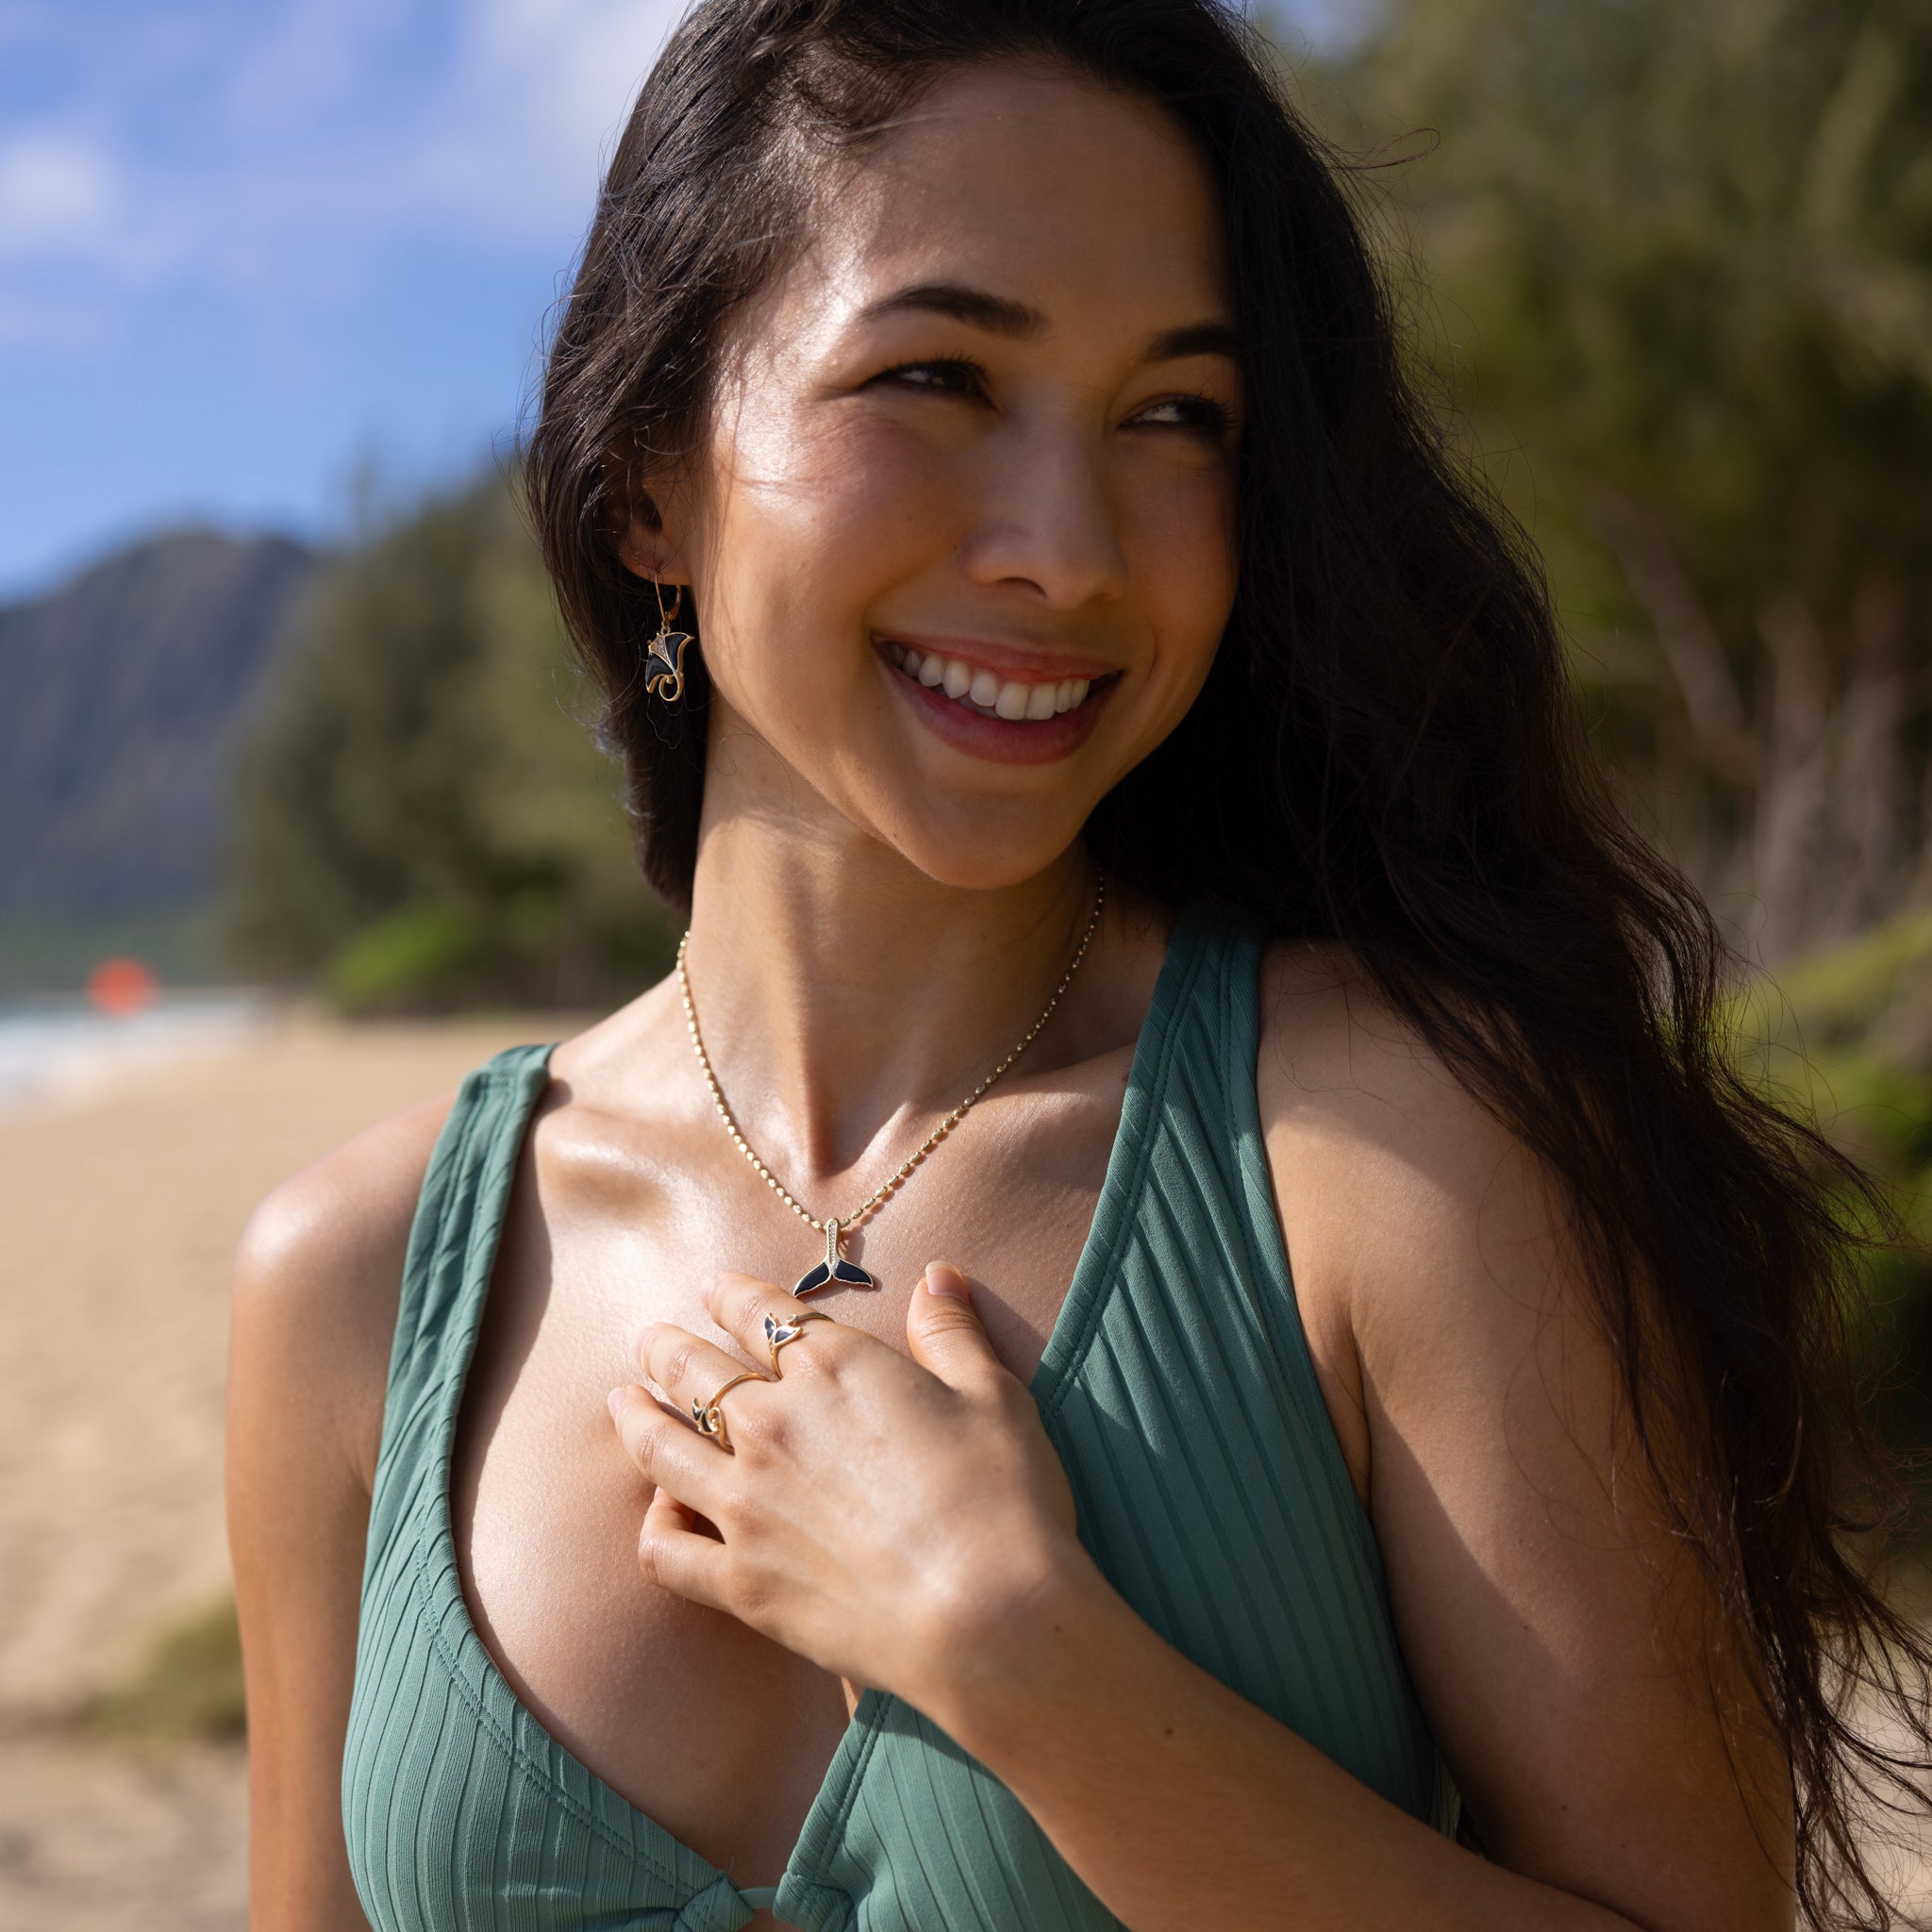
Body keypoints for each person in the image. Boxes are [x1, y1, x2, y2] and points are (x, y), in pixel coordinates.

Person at [225, 2, 1932, 1927]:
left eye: (1173, 416)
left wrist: (1019, 1652)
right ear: (647, 482)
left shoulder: (1383, 1156)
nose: (1068, 548)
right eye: (937, 376)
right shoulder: (357, 1282)